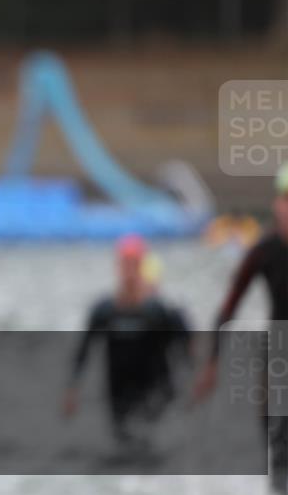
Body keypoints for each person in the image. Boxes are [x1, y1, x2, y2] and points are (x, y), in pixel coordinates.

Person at [195, 164, 288, 494]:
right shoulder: (263, 251)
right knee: (278, 459)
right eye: (286, 200)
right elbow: (227, 308)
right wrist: (211, 364)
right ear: (277, 205)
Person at [63, 234, 191, 447]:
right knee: (124, 442)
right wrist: (72, 388)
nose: (129, 270)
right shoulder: (104, 309)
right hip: (118, 387)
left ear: (142, 266)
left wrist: (188, 384)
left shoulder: (159, 310)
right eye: (125, 264)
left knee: (147, 437)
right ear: (118, 267)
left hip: (155, 387)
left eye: (134, 264)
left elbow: (185, 347)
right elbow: (84, 349)